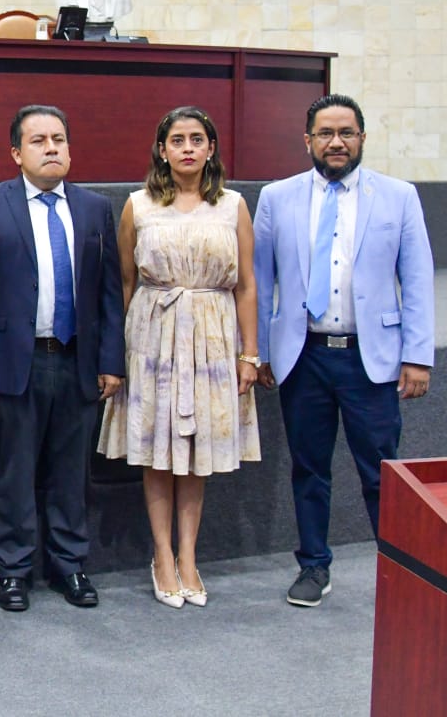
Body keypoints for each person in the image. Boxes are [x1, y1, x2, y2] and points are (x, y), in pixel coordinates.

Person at [253, 93, 434, 607]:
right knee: (309, 468)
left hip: (369, 358)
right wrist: (262, 351)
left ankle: (402, 570)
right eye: (326, 133)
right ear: (307, 140)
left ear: (362, 139)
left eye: (347, 133)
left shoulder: (398, 196)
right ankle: (314, 567)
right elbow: (261, 280)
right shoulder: (277, 197)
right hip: (303, 356)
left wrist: (417, 355)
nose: (337, 142)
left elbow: (417, 279)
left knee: (382, 472)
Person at [0, 104, 124, 613]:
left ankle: (70, 566)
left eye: (59, 139)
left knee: (73, 475)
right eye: (39, 141)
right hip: (12, 363)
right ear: (16, 153)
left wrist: (111, 360)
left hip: (78, 360)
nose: (52, 148)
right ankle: (13, 571)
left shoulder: (95, 208)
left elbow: (110, 293)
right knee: (16, 473)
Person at [97, 107, 260, 609]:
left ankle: (189, 555)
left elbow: (247, 286)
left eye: (197, 139)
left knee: (196, 452)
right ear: (162, 150)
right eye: (177, 140)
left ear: (211, 148)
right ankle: (161, 555)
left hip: (212, 337)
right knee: (158, 449)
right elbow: (125, 284)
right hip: (153, 339)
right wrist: (116, 358)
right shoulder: (137, 206)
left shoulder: (233, 205)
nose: (187, 148)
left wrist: (249, 353)